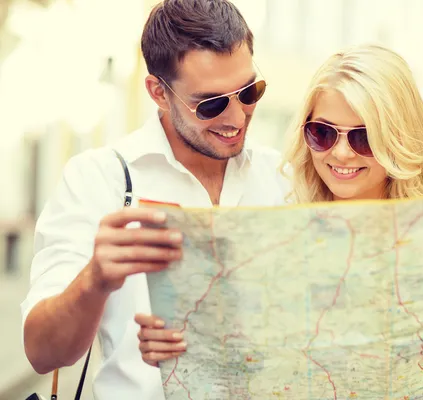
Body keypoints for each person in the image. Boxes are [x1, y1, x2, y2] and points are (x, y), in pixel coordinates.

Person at [135, 44, 423, 373]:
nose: (340, 154)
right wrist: (178, 348)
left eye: (363, 137)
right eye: (322, 132)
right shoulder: (270, 237)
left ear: (397, 138)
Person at [20, 1, 288, 399]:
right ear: (158, 92)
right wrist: (94, 280)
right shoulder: (99, 179)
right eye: (211, 103)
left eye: (249, 92)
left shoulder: (284, 177)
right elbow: (42, 353)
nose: (236, 117)